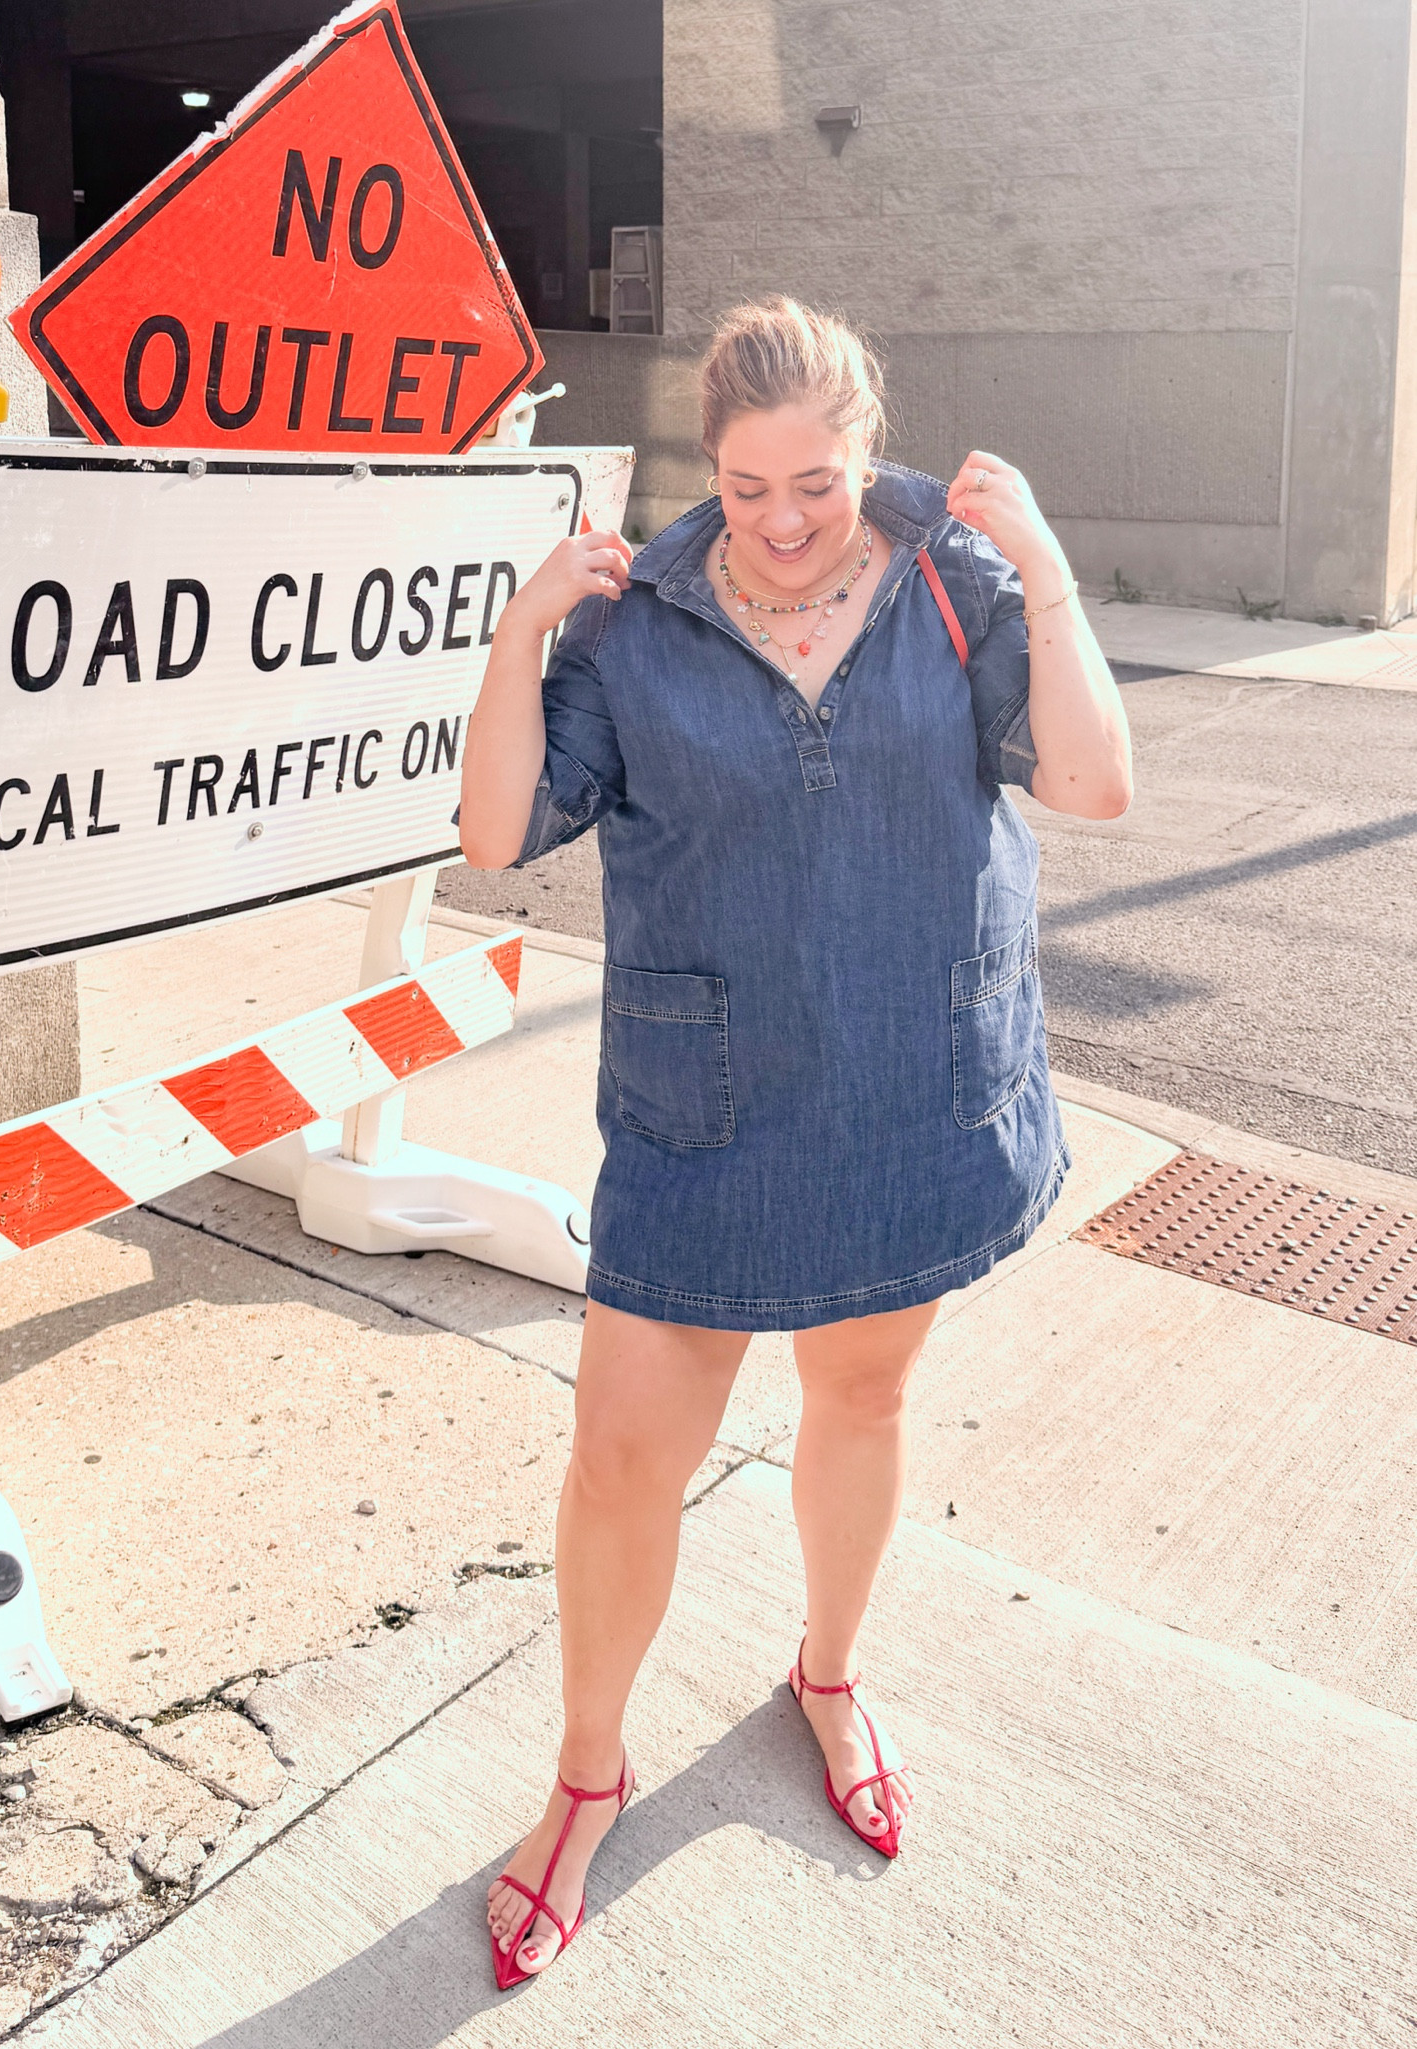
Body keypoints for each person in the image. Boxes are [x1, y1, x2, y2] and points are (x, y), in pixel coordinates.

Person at [460, 296, 1132, 1988]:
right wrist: (518, 637)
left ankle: (826, 1677)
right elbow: (491, 833)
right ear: (710, 464)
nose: (776, 521)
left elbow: (1094, 783)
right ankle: (585, 1773)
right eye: (746, 484)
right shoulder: (638, 628)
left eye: (814, 485)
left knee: (863, 1393)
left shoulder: (953, 583)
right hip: (709, 1115)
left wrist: (1041, 560)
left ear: (865, 448)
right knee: (621, 1456)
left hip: (911, 1090)